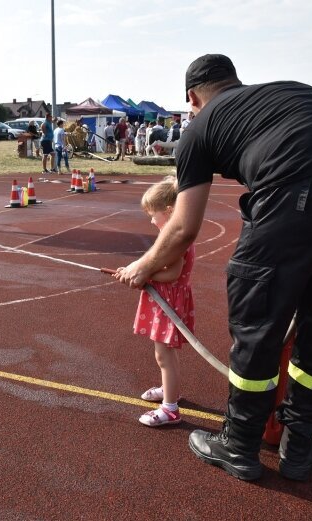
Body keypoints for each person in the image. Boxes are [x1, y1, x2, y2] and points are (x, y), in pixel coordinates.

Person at [117, 53, 312, 482]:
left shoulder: (200, 127)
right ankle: (299, 446)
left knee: (258, 316)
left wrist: (143, 266)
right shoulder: (275, 97)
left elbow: (183, 228)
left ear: (193, 97)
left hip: (299, 186)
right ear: (235, 81)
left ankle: (238, 443)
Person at [115, 175, 195, 427]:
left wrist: (145, 274)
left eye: (153, 214)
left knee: (164, 355)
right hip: (164, 299)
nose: (151, 219)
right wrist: (136, 268)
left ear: (169, 212)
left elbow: (172, 273)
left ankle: (171, 408)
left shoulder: (175, 240)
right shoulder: (170, 236)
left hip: (167, 301)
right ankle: (168, 389)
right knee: (164, 354)